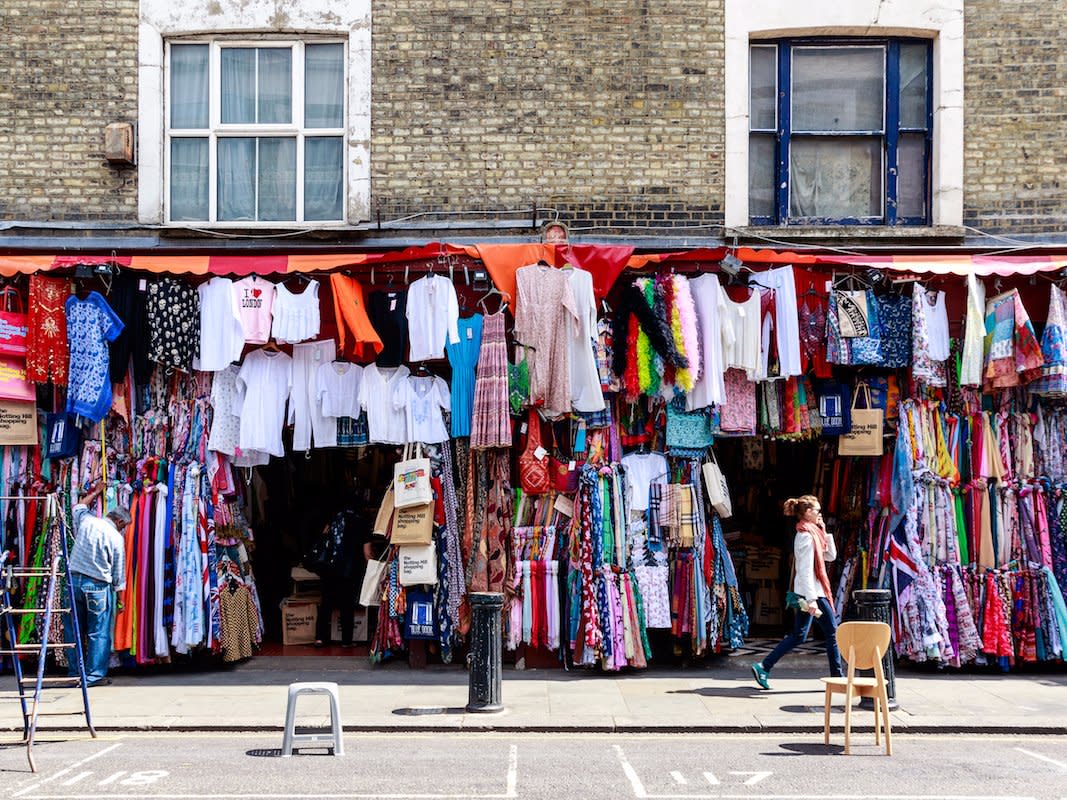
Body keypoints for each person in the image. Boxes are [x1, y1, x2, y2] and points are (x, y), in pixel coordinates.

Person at [751, 494, 843, 689]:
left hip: (811, 593)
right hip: (813, 594)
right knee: (832, 633)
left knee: (799, 635)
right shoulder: (805, 537)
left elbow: (830, 557)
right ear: (808, 513)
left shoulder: (813, 534)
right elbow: (804, 570)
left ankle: (764, 666)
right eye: (817, 510)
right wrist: (811, 600)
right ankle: (837, 677)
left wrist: (825, 531)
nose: (820, 513)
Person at [66, 482, 130, 686]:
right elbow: (118, 573)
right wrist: (121, 601)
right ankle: (93, 676)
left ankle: (75, 672)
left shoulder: (87, 522)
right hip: (97, 587)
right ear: (120, 522)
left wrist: (95, 492)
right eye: (124, 526)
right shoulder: (116, 537)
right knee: (98, 633)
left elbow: (77, 507)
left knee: (74, 629)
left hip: (74, 581)